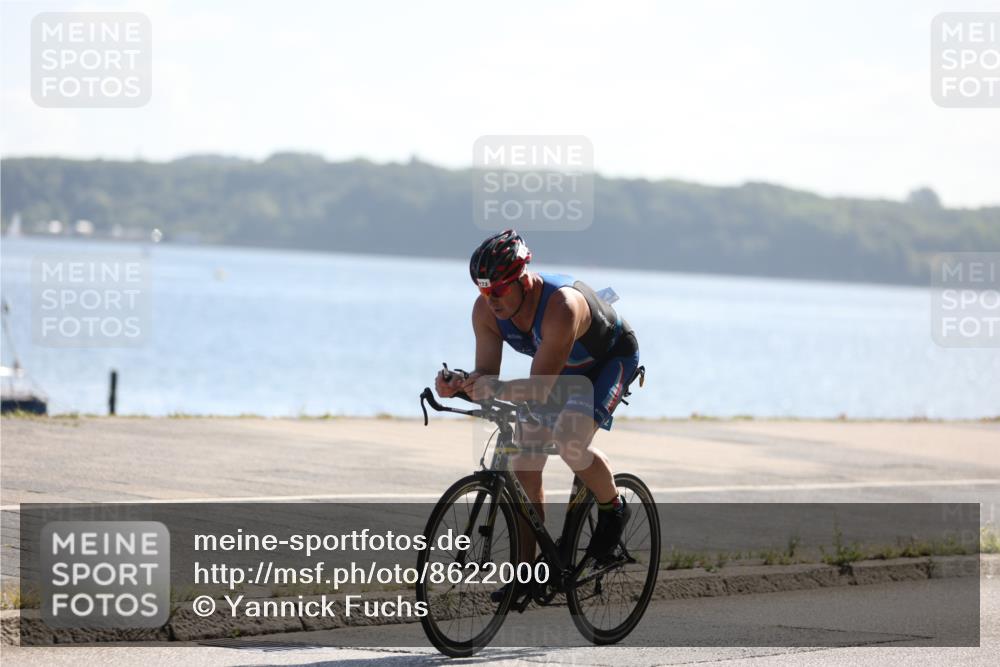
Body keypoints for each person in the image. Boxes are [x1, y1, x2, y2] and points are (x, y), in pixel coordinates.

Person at [435, 229, 640, 569]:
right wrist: (461, 384)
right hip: (559, 369)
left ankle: (614, 507)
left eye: (499, 290)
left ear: (523, 280)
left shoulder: (561, 306)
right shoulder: (485, 311)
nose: (491, 299)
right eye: (483, 290)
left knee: (569, 441)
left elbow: (541, 388)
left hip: (609, 361)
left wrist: (493, 388)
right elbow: (487, 374)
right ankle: (526, 574)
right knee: (524, 468)